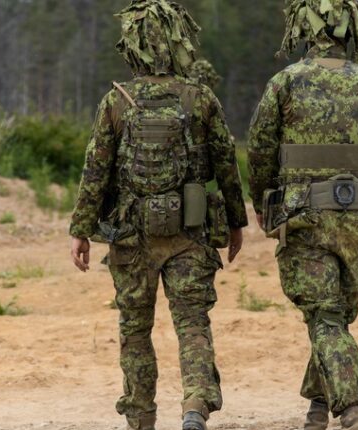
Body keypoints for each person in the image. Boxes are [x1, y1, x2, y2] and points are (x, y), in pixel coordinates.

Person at [69, 1, 248, 429]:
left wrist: (81, 230)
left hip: (131, 236)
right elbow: (226, 163)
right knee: (192, 323)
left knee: (135, 328)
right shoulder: (200, 98)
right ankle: (195, 406)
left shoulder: (116, 101)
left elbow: (96, 170)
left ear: (132, 45)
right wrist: (236, 222)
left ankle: (140, 417)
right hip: (190, 232)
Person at [247, 1, 358, 429]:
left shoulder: (285, 83)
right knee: (333, 317)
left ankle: (352, 409)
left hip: (305, 220)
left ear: (304, 29)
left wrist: (264, 203)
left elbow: (260, 152)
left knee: (325, 319)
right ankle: (317, 410)